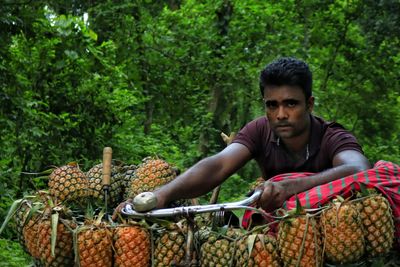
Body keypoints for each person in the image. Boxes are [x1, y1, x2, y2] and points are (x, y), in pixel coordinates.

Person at [120, 57, 371, 215]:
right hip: (279, 231)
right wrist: (162, 195)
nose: (281, 114)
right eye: (272, 105)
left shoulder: (331, 136)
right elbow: (218, 165)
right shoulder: (260, 129)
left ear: (310, 104)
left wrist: (291, 185)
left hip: (332, 227)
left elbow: (359, 170)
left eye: (291, 104)